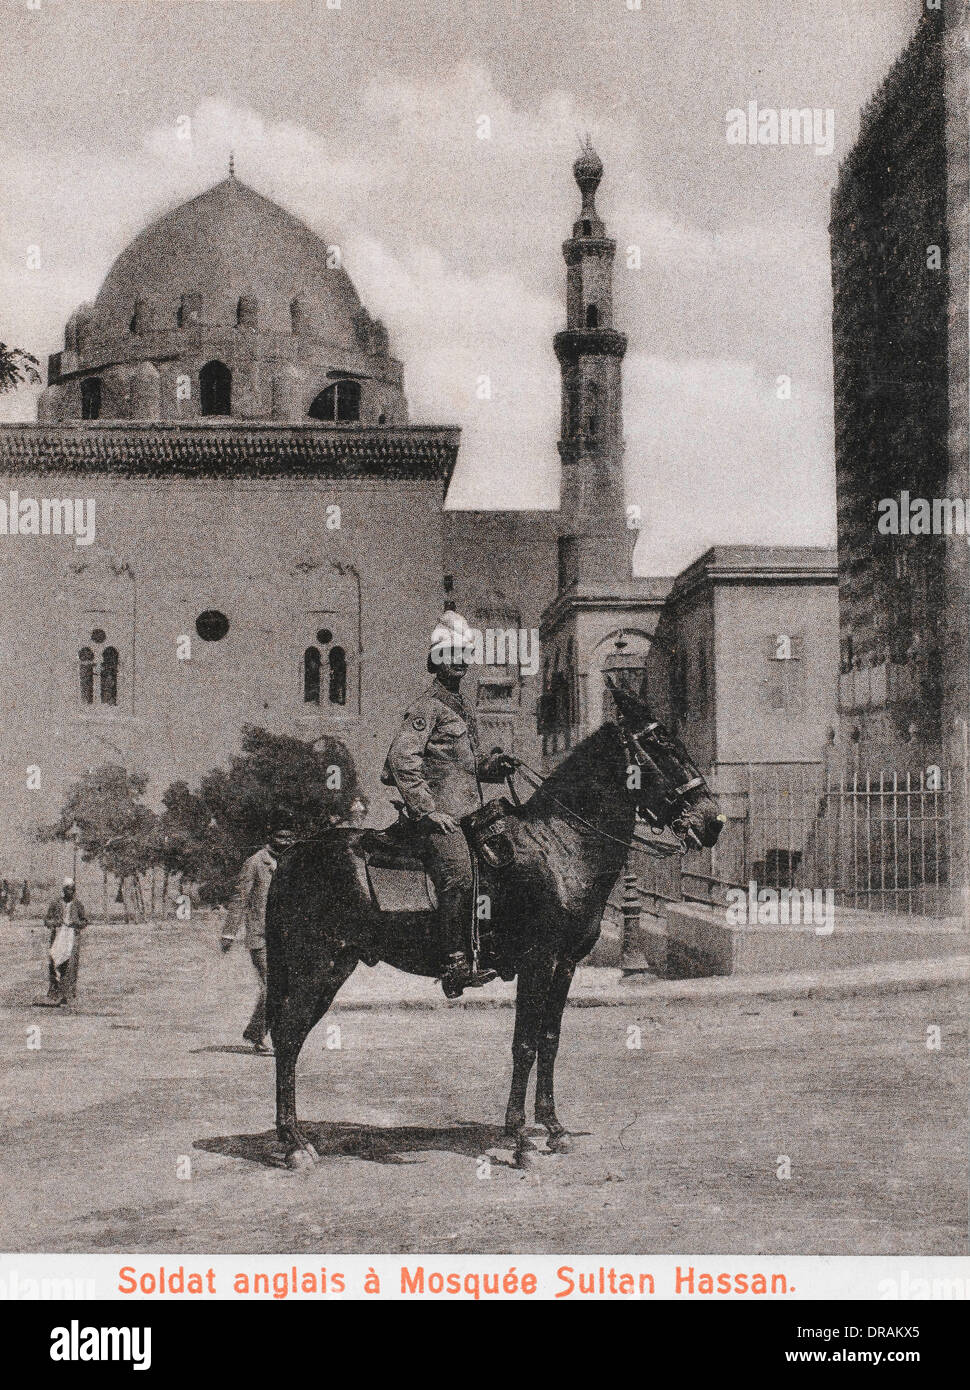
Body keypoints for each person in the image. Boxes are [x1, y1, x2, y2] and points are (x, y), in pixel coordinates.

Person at [382, 612, 516, 997]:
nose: (460, 661)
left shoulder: (460, 705)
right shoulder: (427, 706)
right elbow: (401, 759)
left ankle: (487, 947)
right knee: (459, 873)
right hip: (440, 819)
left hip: (469, 814)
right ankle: (454, 962)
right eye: (452, 654)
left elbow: (464, 766)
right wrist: (428, 810)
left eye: (465, 654)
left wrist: (494, 767)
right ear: (438, 659)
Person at [220, 829, 297, 1052]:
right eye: (282, 837)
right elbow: (240, 899)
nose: (287, 841)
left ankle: (256, 1032)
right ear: (270, 838)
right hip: (260, 936)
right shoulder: (254, 863)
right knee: (272, 985)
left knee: (284, 987)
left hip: (284, 936)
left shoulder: (291, 862)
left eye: (290, 837)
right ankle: (261, 1036)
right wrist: (228, 933)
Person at [35, 877, 87, 1007]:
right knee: (55, 964)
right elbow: (47, 920)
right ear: (64, 890)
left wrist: (76, 924)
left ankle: (67, 996)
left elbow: (84, 921)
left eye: (72, 889)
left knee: (70, 966)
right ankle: (55, 994)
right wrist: (56, 923)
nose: (70, 892)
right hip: (58, 937)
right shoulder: (55, 903)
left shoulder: (78, 904)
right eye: (68, 889)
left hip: (72, 938)